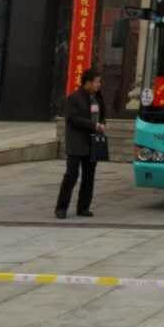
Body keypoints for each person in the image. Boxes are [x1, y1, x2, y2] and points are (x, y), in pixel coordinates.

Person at [56, 69, 106, 219]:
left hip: (93, 143)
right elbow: (72, 119)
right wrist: (93, 125)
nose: (99, 84)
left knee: (89, 176)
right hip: (77, 143)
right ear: (87, 83)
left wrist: (102, 124)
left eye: (99, 82)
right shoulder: (73, 98)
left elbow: (102, 115)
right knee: (72, 175)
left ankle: (83, 207)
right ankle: (61, 208)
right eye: (97, 82)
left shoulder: (97, 98)